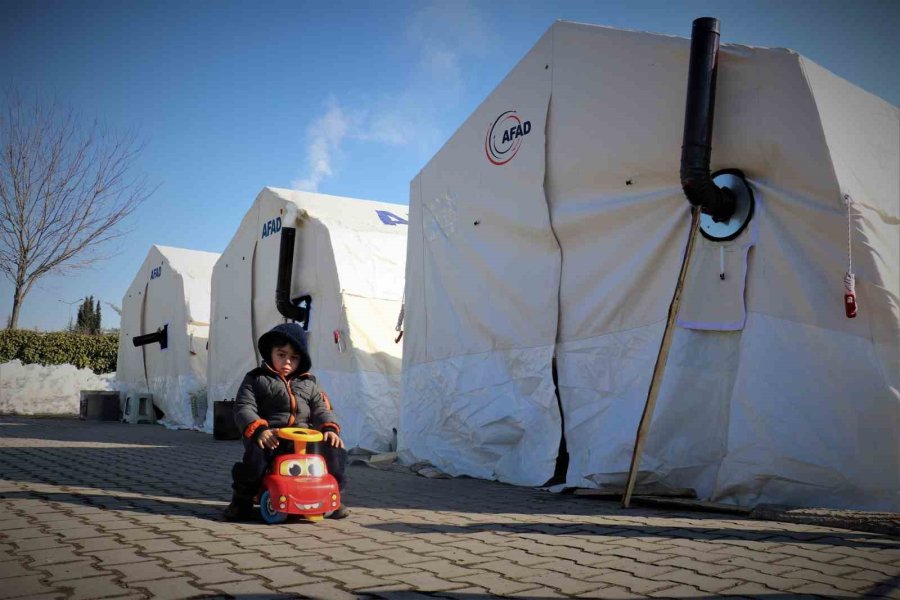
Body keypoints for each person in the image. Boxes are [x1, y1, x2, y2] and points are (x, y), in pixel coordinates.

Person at [223, 322, 349, 522]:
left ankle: (334, 495)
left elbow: (321, 409)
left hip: (304, 438)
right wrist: (259, 429)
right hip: (272, 436)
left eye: (294, 358)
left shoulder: (310, 382)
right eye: (281, 355)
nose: (287, 362)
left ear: (302, 360)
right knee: (255, 460)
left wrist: (329, 428)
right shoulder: (256, 378)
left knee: (334, 450)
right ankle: (242, 499)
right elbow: (244, 407)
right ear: (270, 353)